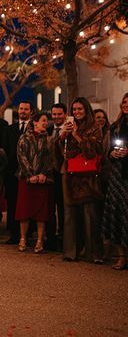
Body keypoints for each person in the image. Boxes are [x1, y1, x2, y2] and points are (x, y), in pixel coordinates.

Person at [60, 97, 104, 263]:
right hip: (70, 173)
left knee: (90, 214)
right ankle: (70, 252)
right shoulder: (69, 126)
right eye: (74, 110)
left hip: (87, 175)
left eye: (80, 109)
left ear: (86, 110)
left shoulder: (95, 128)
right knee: (70, 213)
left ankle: (94, 253)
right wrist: (64, 135)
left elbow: (93, 151)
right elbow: (60, 151)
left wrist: (76, 135)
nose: (77, 112)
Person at [15, 112, 55, 253]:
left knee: (41, 212)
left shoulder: (49, 139)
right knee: (24, 210)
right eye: (43, 120)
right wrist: (30, 174)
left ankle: (39, 240)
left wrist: (43, 173)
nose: (45, 123)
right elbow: (21, 156)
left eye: (46, 121)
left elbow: (50, 159)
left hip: (43, 180)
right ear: (35, 122)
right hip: (27, 179)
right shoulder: (24, 138)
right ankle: (23, 239)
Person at [102, 92, 128, 270]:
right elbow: (109, 149)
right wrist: (112, 153)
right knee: (117, 214)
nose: (126, 105)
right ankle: (121, 256)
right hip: (118, 176)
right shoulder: (116, 125)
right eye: (124, 102)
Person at [4, 100, 33, 245]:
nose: (22, 111)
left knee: (29, 203)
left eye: (26, 109)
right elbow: (7, 151)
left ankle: (30, 234)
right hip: (12, 173)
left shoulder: (35, 128)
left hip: (30, 173)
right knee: (13, 203)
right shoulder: (10, 129)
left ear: (30, 112)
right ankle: (14, 234)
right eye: (21, 109)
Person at [46, 102, 68, 248]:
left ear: (65, 114)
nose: (57, 117)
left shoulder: (70, 130)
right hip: (48, 174)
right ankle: (50, 237)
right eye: (54, 114)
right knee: (48, 207)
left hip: (64, 173)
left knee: (63, 207)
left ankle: (63, 237)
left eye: (59, 114)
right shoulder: (47, 129)